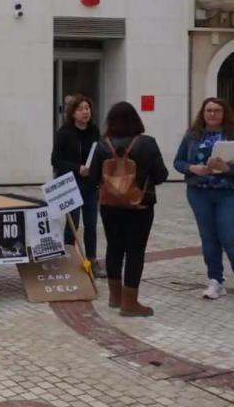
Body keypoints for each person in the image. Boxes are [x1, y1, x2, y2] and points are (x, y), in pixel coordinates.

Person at [173, 97, 234, 308]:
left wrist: (229, 168)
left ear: (224, 113)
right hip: (200, 192)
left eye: (217, 110)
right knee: (209, 237)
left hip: (230, 192)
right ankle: (215, 280)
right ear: (203, 113)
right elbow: (178, 161)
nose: (212, 114)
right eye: (208, 110)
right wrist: (192, 168)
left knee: (232, 237)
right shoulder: (192, 136)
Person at [89, 102, 168, 317]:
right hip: (139, 205)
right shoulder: (148, 144)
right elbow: (161, 176)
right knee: (135, 251)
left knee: (114, 247)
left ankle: (115, 297)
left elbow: (94, 178)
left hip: (109, 206)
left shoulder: (101, 145)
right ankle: (130, 303)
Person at [51, 94, 105, 277]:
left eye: (87, 108)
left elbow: (99, 154)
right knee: (72, 224)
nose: (85, 112)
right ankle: (70, 259)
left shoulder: (94, 131)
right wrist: (77, 168)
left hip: (90, 184)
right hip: (70, 184)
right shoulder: (64, 133)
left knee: (91, 224)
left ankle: (92, 260)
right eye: (81, 109)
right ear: (73, 112)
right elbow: (56, 160)